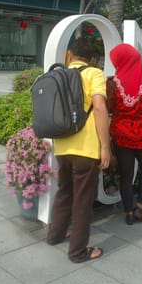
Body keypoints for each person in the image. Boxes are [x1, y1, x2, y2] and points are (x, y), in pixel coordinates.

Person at [46, 37, 111, 263]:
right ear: (92, 58)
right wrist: (105, 146)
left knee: (64, 192)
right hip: (87, 148)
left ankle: (55, 235)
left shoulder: (59, 74)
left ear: (70, 56)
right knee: (83, 200)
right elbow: (100, 107)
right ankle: (78, 252)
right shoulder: (94, 73)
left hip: (62, 145)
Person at [106, 43, 142, 225]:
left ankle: (128, 212)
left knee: (126, 175)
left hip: (121, 136)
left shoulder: (112, 83)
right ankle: (140, 207)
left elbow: (109, 108)